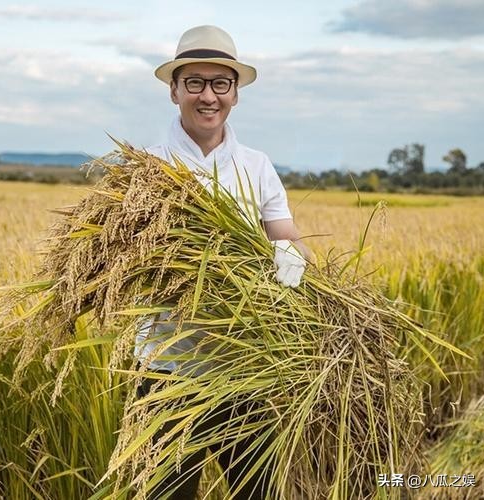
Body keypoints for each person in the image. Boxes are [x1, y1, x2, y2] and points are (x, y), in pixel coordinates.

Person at [134, 25, 311, 499]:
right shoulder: (145, 168)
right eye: (194, 82)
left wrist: (294, 266)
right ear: (174, 91)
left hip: (244, 365)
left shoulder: (257, 165)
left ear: (235, 93)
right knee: (166, 493)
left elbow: (286, 235)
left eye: (220, 83)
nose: (208, 95)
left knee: (259, 491)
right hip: (165, 369)